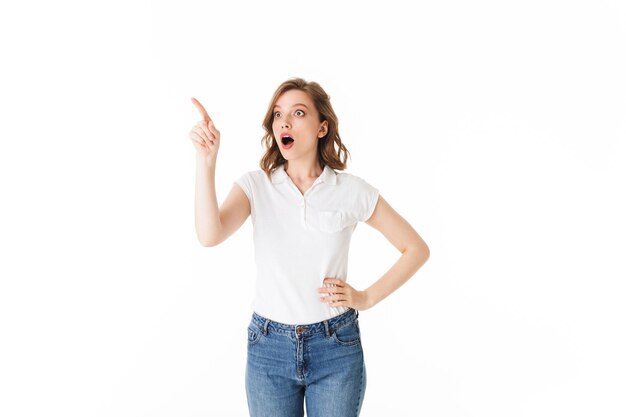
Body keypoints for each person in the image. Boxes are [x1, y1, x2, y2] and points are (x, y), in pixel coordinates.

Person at [189, 77, 430, 417]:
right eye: (277, 114)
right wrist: (206, 160)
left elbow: (415, 248)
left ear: (322, 127)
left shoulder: (351, 190)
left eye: (298, 113)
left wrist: (367, 297)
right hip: (268, 347)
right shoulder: (256, 186)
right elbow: (209, 235)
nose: (284, 122)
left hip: (335, 347)